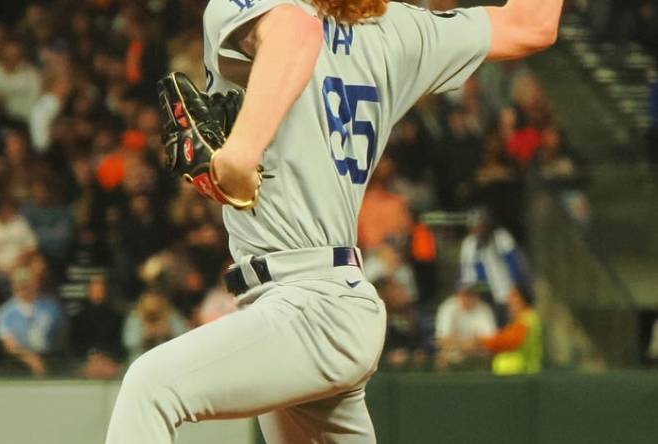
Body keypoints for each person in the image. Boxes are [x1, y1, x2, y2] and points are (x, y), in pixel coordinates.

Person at [105, 0, 562, 442]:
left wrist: (242, 149)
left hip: (305, 303)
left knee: (150, 388)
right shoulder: (400, 29)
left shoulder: (252, 6)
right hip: (324, 300)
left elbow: (296, 31)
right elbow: (532, 23)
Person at [0, 267, 63, 376]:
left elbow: (61, 334)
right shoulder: (5, 312)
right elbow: (9, 345)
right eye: (18, 284)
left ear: (35, 284)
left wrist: (52, 358)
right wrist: (31, 360)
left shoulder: (51, 306)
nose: (21, 288)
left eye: (26, 284)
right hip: (19, 363)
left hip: (50, 358)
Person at [476, 284, 542, 375]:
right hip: (513, 376)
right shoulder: (521, 319)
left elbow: (509, 341)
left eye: (513, 296)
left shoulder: (527, 319)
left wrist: (482, 342)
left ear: (522, 300)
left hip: (521, 375)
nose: (508, 301)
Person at [434, 281, 498, 371]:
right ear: (458, 295)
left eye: (472, 294)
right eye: (465, 294)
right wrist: (465, 345)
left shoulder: (484, 309)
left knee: (492, 354)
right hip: (455, 352)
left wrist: (473, 345)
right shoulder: (448, 307)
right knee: (442, 358)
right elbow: (441, 340)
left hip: (477, 351)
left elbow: (492, 339)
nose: (469, 298)